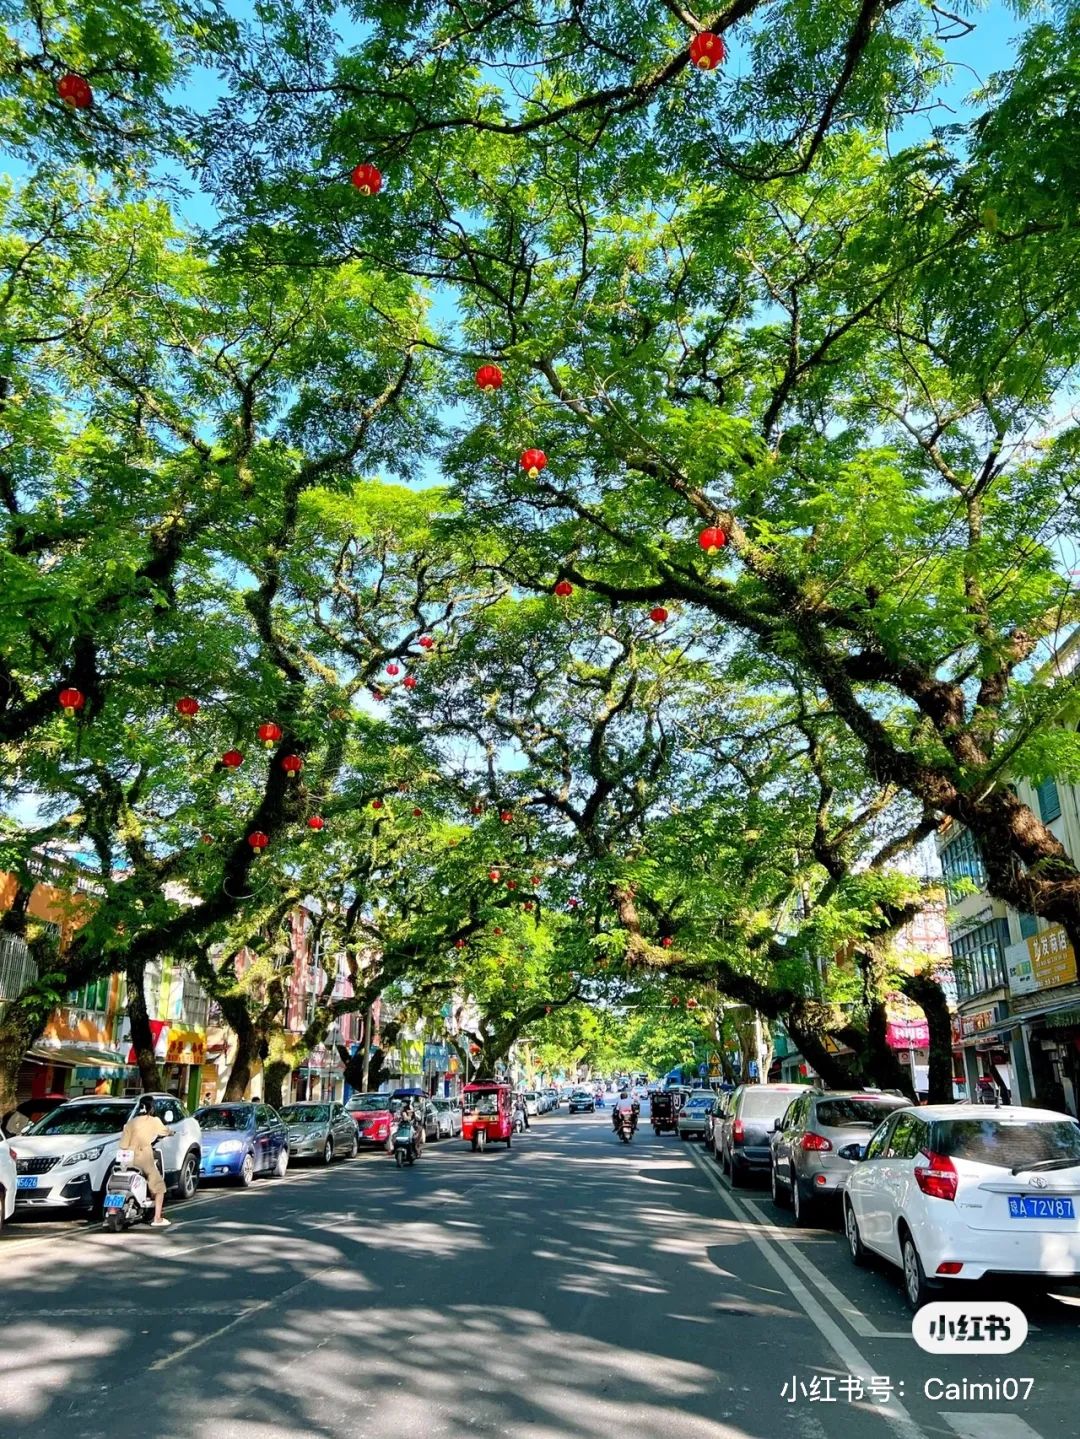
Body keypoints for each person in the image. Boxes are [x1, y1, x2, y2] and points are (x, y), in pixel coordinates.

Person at [119, 1095, 173, 1227]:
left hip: (127, 1157)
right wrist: (171, 1132)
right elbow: (165, 1131)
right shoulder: (153, 1120)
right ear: (151, 1107)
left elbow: (123, 1145)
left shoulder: (130, 1123)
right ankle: (157, 1218)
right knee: (159, 1187)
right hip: (143, 1156)